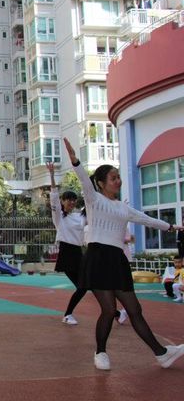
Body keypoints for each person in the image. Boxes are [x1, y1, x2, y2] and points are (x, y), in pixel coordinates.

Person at [63, 137, 184, 370]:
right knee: (109, 310)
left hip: (117, 260)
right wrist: (75, 160)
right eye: (113, 178)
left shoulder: (123, 207)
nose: (118, 181)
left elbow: (146, 219)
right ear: (101, 183)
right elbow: (83, 179)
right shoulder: (94, 199)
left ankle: (161, 354)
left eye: (118, 177)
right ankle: (100, 352)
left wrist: (171, 227)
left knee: (135, 309)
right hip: (98, 258)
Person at [46, 162, 86, 326]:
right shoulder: (59, 217)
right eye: (68, 199)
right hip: (67, 253)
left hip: (79, 253)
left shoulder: (80, 217)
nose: (71, 202)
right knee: (83, 286)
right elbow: (54, 197)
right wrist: (52, 175)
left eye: (73, 200)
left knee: (86, 285)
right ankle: (68, 314)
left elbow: (93, 205)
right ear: (63, 201)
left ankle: (115, 313)